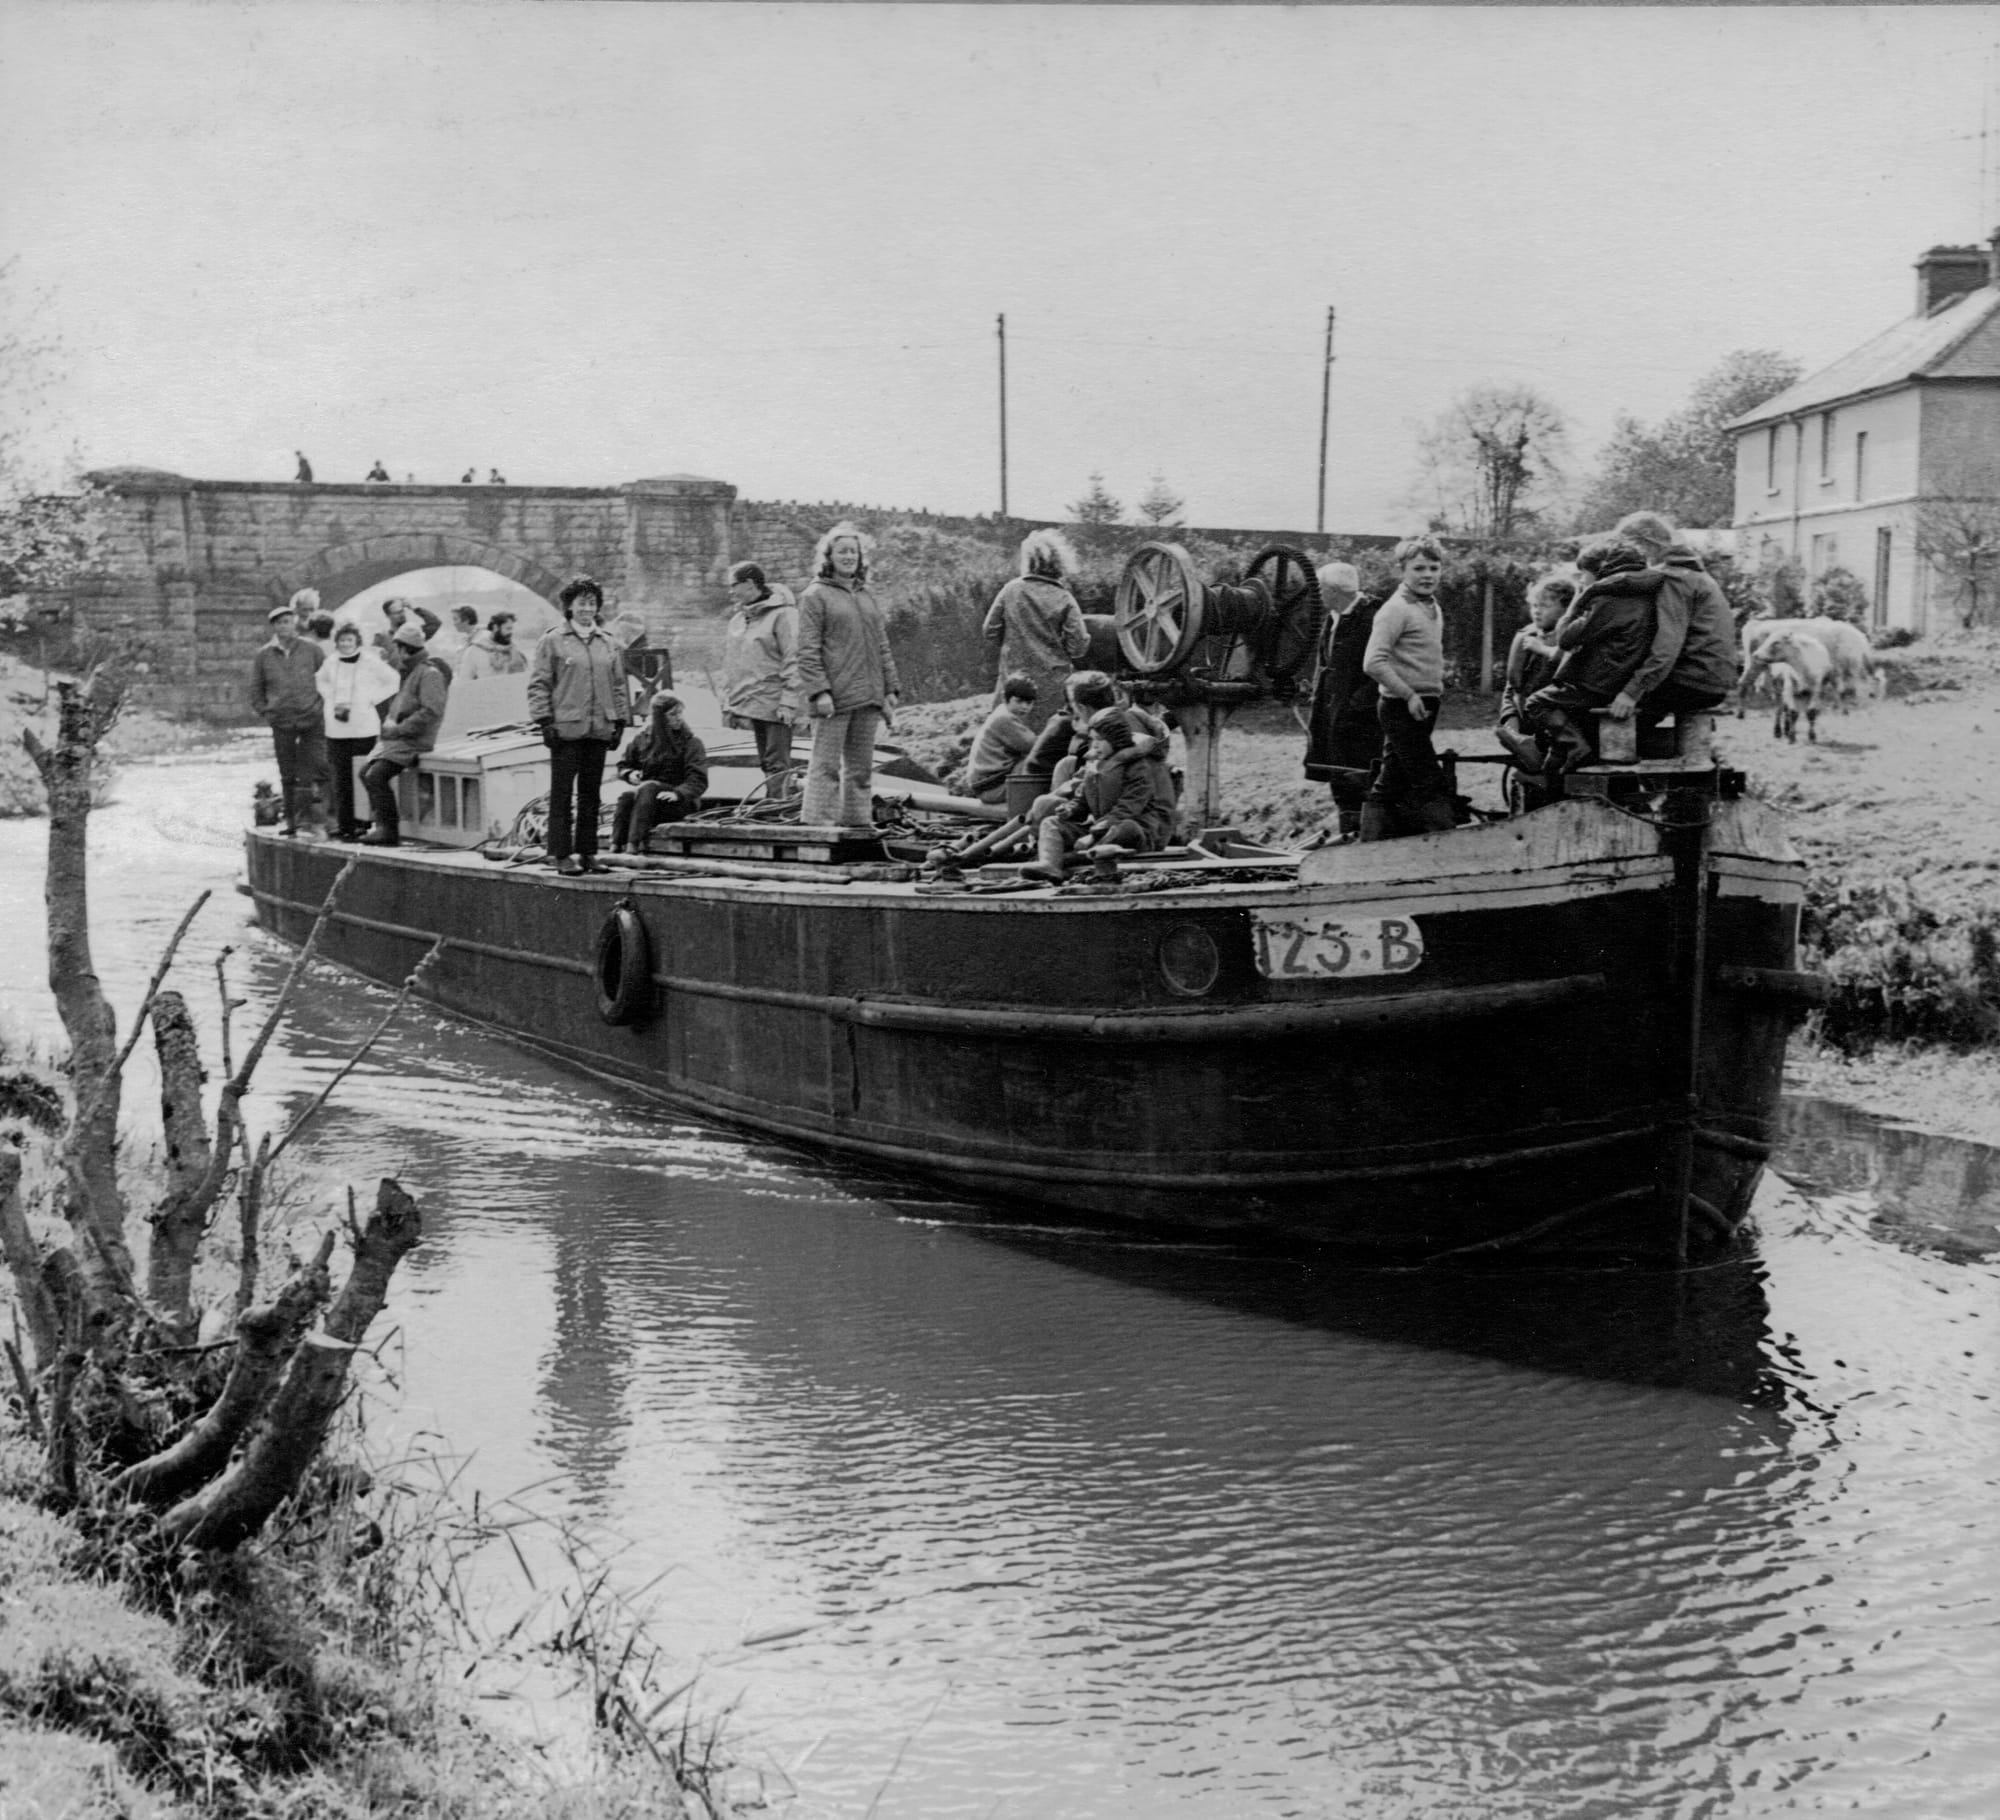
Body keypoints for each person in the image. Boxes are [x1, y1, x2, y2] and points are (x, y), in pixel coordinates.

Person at [1522, 537, 1664, 773]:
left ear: (1600, 571)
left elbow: (1565, 637)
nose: (1581, 579)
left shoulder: (1607, 600)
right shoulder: (1646, 594)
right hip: (1625, 677)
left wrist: (1581, 597)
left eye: (1583, 574)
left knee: (1537, 703)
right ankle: (1561, 756)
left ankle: (1576, 748)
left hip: (1601, 682)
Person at [1605, 510, 1740, 743]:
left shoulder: (1673, 578)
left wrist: (1631, 692)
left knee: (1600, 706)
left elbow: (1667, 644)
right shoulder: (1692, 574)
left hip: (1694, 681)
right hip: (1708, 677)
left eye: (1625, 548)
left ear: (1644, 544)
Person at [796, 522, 899, 827]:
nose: (848, 556)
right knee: (825, 766)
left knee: (861, 770)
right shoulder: (815, 595)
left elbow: (882, 645)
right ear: (829, 556)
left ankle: (857, 826)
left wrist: (890, 688)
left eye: (853, 551)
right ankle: (819, 827)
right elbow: (807, 650)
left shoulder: (867, 596)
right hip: (834, 697)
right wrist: (819, 691)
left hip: (869, 697)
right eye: (842, 551)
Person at [528, 574, 629, 875]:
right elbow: (540, 683)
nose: (587, 609)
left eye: (592, 603)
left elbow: (618, 685)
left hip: (599, 728)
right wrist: (545, 721)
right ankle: (560, 854)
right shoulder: (552, 641)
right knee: (561, 794)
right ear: (569, 607)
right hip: (566, 729)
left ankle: (588, 853)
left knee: (591, 794)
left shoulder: (608, 642)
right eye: (581, 603)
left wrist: (620, 720)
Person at [1360, 534, 1455, 839]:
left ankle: (1371, 843)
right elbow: (1373, 663)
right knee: (1428, 777)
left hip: (1426, 703)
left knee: (1394, 777)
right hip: (1401, 706)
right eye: (1419, 568)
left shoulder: (1433, 607)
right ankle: (1449, 841)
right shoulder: (1395, 609)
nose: (1428, 575)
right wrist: (1409, 694)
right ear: (1402, 570)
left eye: (1434, 568)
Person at [1023, 707, 1176, 882]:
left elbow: (1128, 808)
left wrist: (1093, 835)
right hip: (1100, 828)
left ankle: (1075, 858)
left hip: (1135, 831)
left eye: (1101, 740)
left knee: (1127, 827)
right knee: (1051, 823)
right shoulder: (1094, 765)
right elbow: (1082, 799)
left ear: (1116, 739)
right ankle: (1049, 864)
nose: (1094, 745)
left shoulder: (1138, 767)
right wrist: (1070, 810)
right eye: (1092, 739)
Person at [1301, 560, 1381, 841]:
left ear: (1333, 590)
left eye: (1320, 589)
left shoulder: (1371, 619)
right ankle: (1348, 835)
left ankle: (1366, 839)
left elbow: (1383, 667)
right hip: (1333, 717)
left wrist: (1356, 706)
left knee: (1360, 777)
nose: (1318, 595)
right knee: (1338, 777)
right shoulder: (1334, 618)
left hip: (1361, 723)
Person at [982, 529, 1090, 730]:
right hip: (1053, 685)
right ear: (1059, 562)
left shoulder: (1011, 589)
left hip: (1013, 679)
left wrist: (1012, 645)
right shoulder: (1064, 597)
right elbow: (1078, 646)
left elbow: (990, 630)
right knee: (1050, 737)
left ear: (1029, 560)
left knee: (1008, 733)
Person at [358, 620, 450, 846]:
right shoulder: (412, 671)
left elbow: (431, 712)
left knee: (375, 776)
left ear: (403, 648)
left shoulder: (428, 673)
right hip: (402, 739)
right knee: (365, 772)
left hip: (414, 740)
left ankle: (388, 830)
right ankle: (382, 825)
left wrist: (398, 729)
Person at [719, 561, 802, 797]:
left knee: (777, 762)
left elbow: (794, 659)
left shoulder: (784, 615)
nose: (730, 591)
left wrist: (789, 701)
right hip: (751, 702)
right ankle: (771, 803)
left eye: (734, 585)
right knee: (765, 761)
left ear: (749, 583)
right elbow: (732, 664)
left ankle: (778, 807)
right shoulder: (739, 619)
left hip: (776, 703)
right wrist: (729, 704)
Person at [249, 604, 329, 837]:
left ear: (294, 624)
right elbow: (256, 688)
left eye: (287, 621)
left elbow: (328, 678)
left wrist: (321, 706)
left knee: (318, 767)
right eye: (279, 623)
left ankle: (321, 820)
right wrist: (267, 712)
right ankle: (292, 821)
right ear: (273, 627)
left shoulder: (312, 649)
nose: (284, 626)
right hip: (282, 721)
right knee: (288, 773)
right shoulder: (264, 655)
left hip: (312, 718)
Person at [315, 621, 400, 839]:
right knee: (341, 778)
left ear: (357, 641)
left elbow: (394, 680)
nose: (345, 644)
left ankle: (363, 823)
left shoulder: (370, 660)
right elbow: (320, 681)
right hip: (337, 730)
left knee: (361, 776)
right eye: (342, 640)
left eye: (349, 640)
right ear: (337, 642)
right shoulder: (331, 662)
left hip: (363, 728)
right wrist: (330, 697)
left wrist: (372, 699)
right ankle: (345, 825)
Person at [611, 692, 709, 852]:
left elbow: (698, 780)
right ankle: (615, 845)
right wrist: (629, 773)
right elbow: (623, 765)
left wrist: (678, 793)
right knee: (627, 796)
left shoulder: (691, 742)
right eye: (673, 714)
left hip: (678, 803)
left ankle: (634, 845)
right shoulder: (642, 739)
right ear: (659, 718)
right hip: (646, 803)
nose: (679, 718)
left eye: (680, 713)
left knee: (648, 787)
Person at [1496, 570, 1574, 767]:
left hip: (1557, 724)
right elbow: (1512, 687)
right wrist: (1510, 720)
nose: (1537, 611)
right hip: (1525, 723)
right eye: (1534, 605)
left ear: (1566, 609)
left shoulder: (1570, 640)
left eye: (1545, 606)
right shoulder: (1525, 636)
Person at [966, 673, 1038, 803]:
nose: (1024, 706)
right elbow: (1033, 745)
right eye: (1019, 701)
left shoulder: (1002, 713)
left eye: (1029, 703)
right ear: (1006, 699)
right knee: (1039, 759)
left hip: (988, 783)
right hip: (991, 788)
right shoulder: (1004, 719)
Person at [462, 610, 528, 679]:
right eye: (508, 628)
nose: (511, 632)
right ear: (495, 628)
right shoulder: (475, 651)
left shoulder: (514, 650)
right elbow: (464, 680)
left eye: (511, 629)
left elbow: (522, 676)